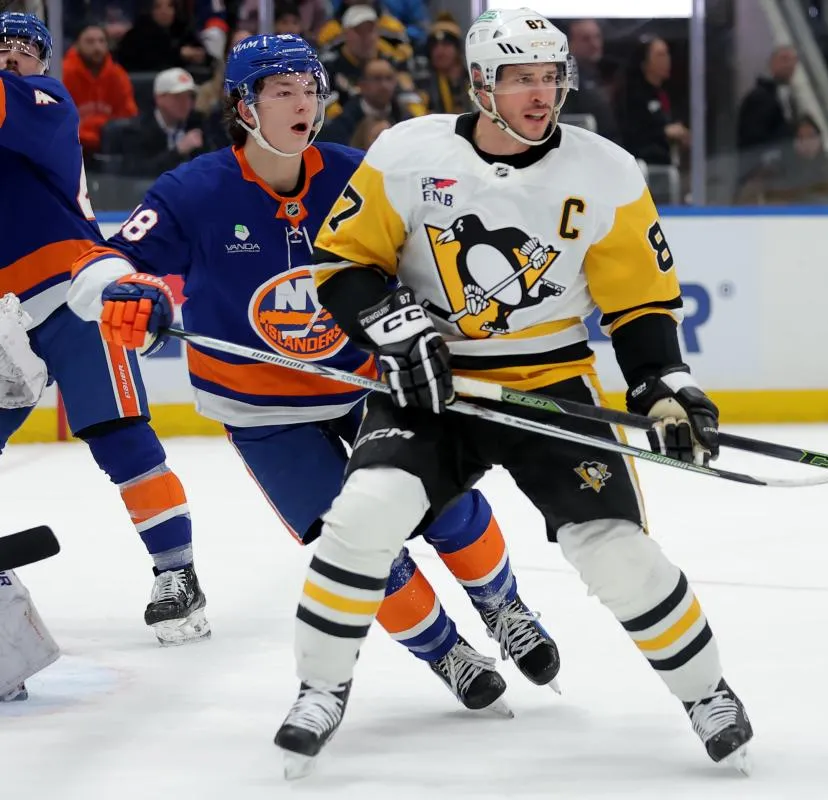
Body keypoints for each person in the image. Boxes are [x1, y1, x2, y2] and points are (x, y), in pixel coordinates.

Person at [270, 6, 753, 779]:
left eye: (550, 77)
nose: (539, 94)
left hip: (549, 385)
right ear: (480, 85)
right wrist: (392, 326)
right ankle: (319, 689)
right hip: (435, 384)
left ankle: (707, 695)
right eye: (520, 78)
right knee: (362, 518)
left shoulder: (606, 171)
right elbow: (343, 266)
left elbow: (640, 303)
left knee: (617, 554)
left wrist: (664, 384)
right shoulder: (406, 152)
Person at [66, 34, 559, 716]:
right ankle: (445, 650)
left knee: (441, 499)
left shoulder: (356, 174)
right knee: (356, 545)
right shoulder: (194, 190)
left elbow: (427, 255)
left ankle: (506, 609)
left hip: (366, 386)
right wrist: (126, 292)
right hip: (262, 410)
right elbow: (99, 264)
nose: (305, 103)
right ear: (243, 105)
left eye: (311, 88)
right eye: (284, 90)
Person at [0, 11, 206, 651]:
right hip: (4, 311)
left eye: (21, 49)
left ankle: (178, 575)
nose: (9, 58)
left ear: (43, 61)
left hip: (71, 289)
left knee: (120, 436)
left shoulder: (46, 101)